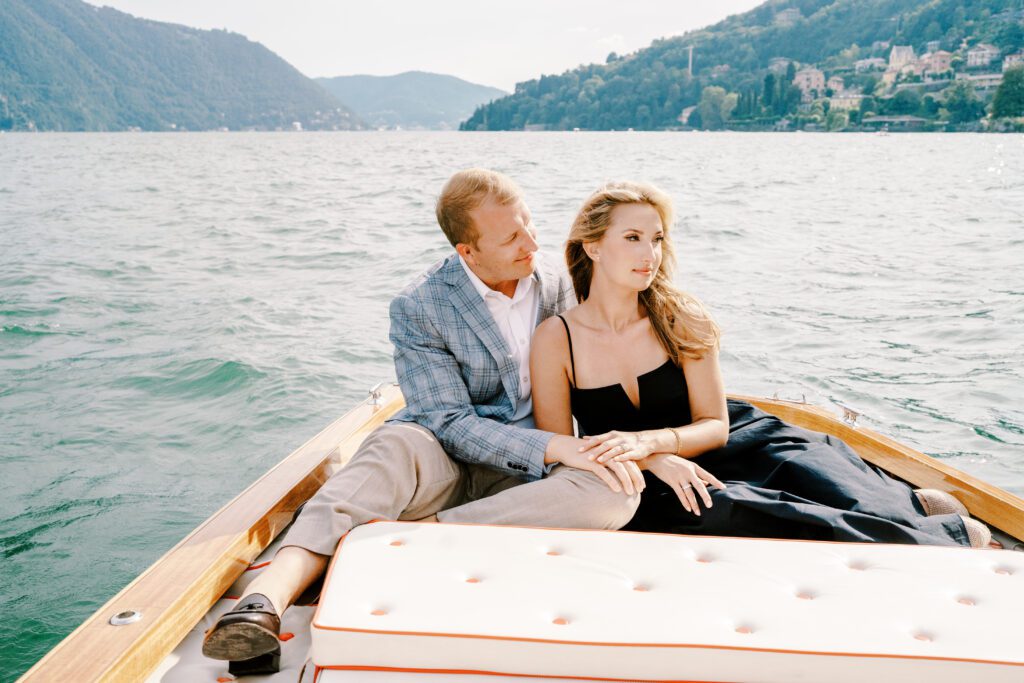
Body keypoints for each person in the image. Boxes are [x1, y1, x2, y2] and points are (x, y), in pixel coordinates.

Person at [202, 169, 642, 672]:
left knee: (618, 488)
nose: (531, 242)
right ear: (467, 252)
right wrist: (553, 448)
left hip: (532, 478)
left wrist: (645, 449)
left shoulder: (561, 285)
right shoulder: (420, 304)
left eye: (530, 223)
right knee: (391, 446)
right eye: (511, 236)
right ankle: (261, 605)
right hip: (446, 459)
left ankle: (411, 537)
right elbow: (448, 421)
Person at [529, 180, 990, 550]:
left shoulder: (679, 317)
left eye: (656, 239)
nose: (648, 255)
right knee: (748, 508)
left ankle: (905, 508)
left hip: (727, 442)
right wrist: (654, 459)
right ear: (592, 247)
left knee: (809, 465)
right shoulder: (557, 338)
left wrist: (656, 441)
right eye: (632, 238)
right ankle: (935, 539)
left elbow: (714, 424)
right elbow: (561, 451)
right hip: (646, 480)